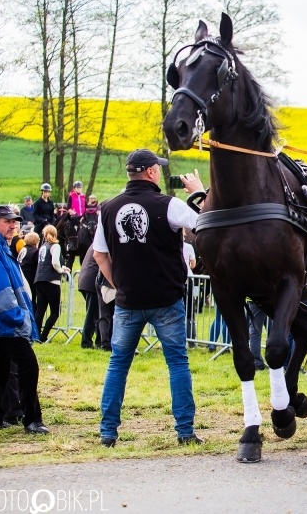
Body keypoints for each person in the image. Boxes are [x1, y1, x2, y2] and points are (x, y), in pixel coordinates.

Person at [92, 148, 205, 447]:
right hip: (166, 299)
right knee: (177, 364)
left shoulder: (108, 208)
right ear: (152, 172)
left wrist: (120, 283)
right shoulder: (169, 205)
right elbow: (205, 224)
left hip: (128, 302)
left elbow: (100, 255)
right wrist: (200, 192)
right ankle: (184, 431)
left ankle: (107, 433)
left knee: (118, 365)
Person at [0, 205, 48, 434]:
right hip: (4, 321)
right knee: (28, 367)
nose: (12, 226)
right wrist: (16, 316)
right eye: (6, 221)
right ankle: (32, 420)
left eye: (14, 222)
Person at [34, 225, 71, 343]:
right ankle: (44, 336)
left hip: (39, 280)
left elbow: (48, 262)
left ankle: (36, 335)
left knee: (40, 310)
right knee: (55, 312)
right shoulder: (56, 246)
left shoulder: (43, 246)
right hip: (51, 281)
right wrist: (60, 271)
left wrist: (62, 267)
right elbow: (54, 262)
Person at [77, 245, 101, 349]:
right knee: (93, 314)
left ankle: (99, 340)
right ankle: (86, 342)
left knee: (97, 314)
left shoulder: (95, 244)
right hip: (92, 282)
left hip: (85, 280)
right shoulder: (101, 244)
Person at [17, 232, 40, 297]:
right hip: (30, 279)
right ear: (36, 241)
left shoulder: (23, 250)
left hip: (20, 277)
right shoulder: (35, 251)